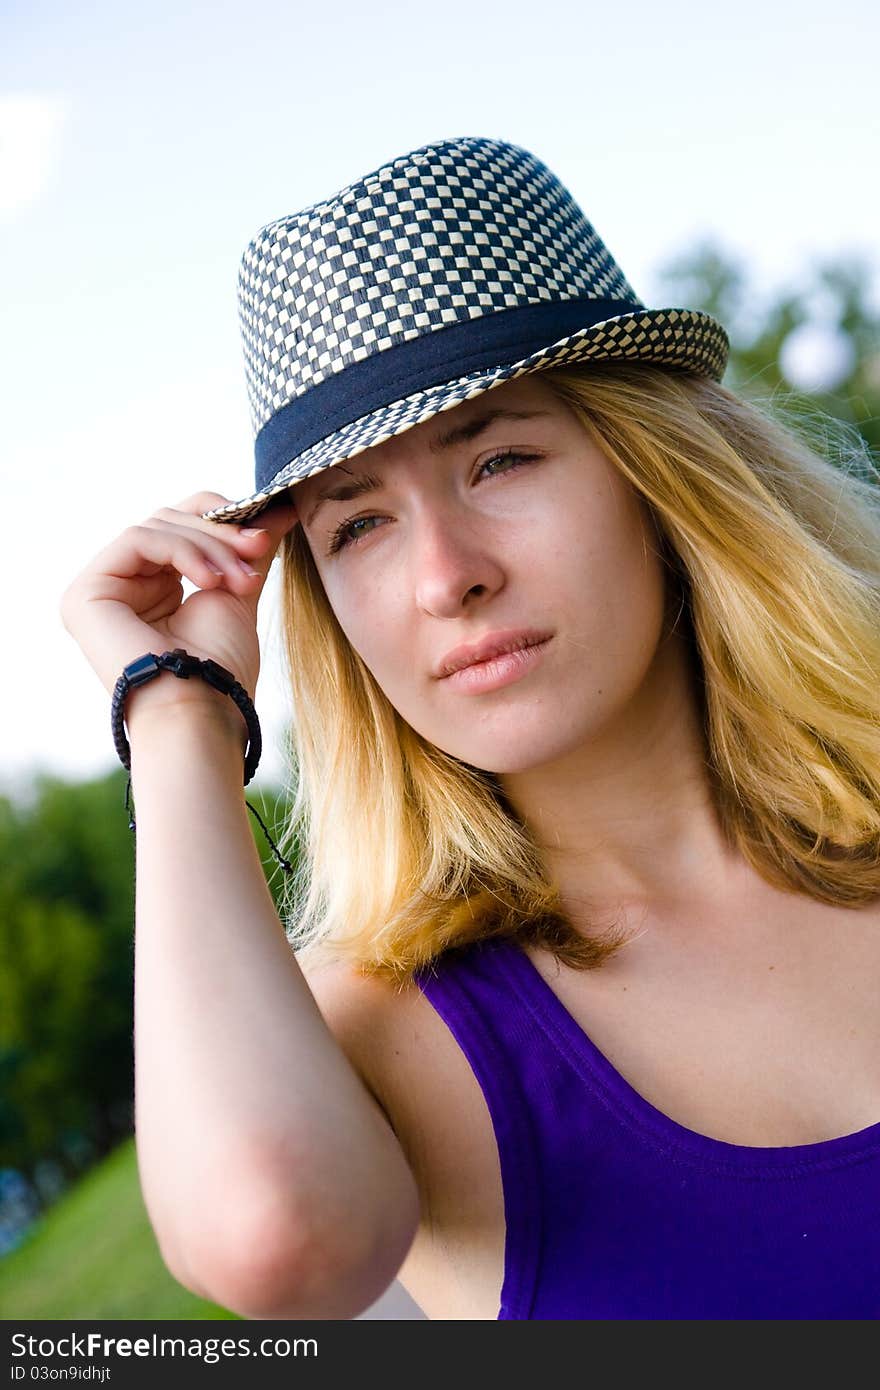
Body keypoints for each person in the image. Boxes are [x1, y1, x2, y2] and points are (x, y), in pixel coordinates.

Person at [60, 136, 880, 1321]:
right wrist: (178, 707)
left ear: (658, 474)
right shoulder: (387, 1023)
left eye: (498, 458)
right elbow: (271, 1244)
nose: (446, 577)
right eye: (357, 526)